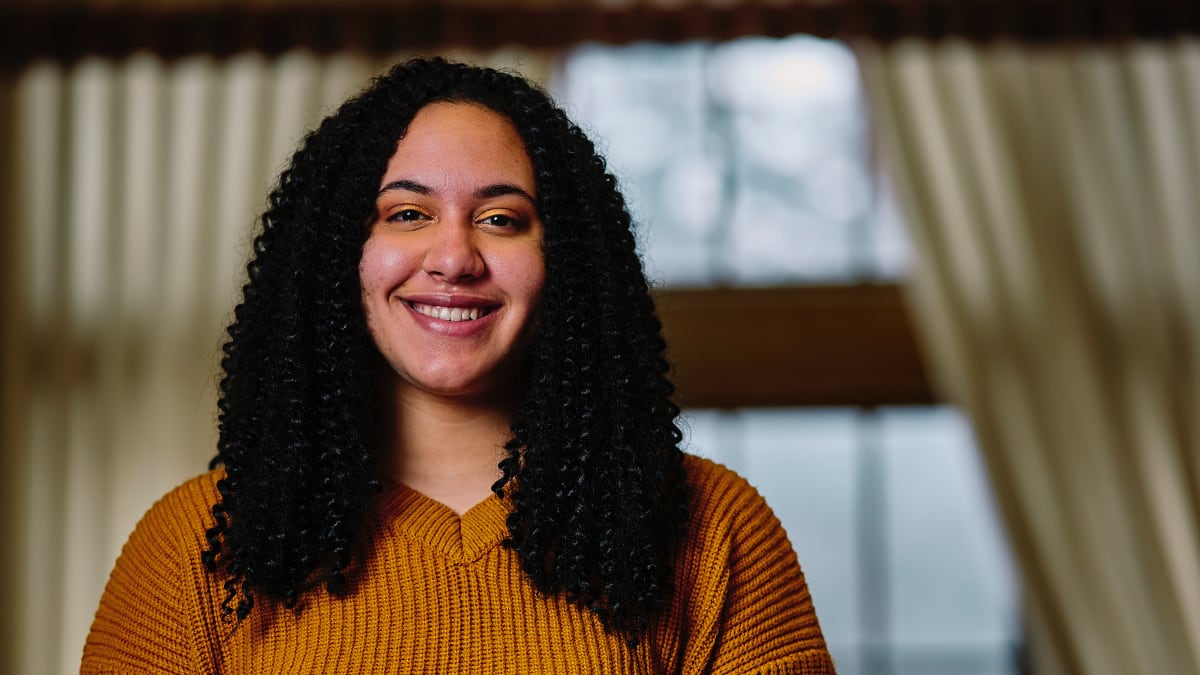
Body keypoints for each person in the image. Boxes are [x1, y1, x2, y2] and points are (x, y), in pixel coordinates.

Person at [81, 57, 835, 673]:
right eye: (406, 213)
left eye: (501, 219)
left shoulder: (713, 527)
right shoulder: (194, 544)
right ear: (339, 252)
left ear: (563, 262)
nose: (453, 258)